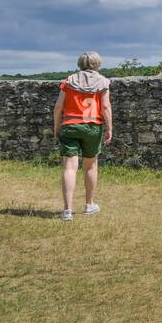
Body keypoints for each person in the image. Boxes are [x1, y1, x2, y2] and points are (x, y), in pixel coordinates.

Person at [52, 51, 112, 221]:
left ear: (80, 64)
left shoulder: (68, 81)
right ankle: (89, 205)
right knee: (90, 166)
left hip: (70, 125)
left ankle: (67, 211)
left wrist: (57, 127)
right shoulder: (103, 82)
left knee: (69, 167)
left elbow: (58, 107)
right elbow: (106, 107)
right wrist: (110, 128)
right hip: (93, 126)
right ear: (98, 64)